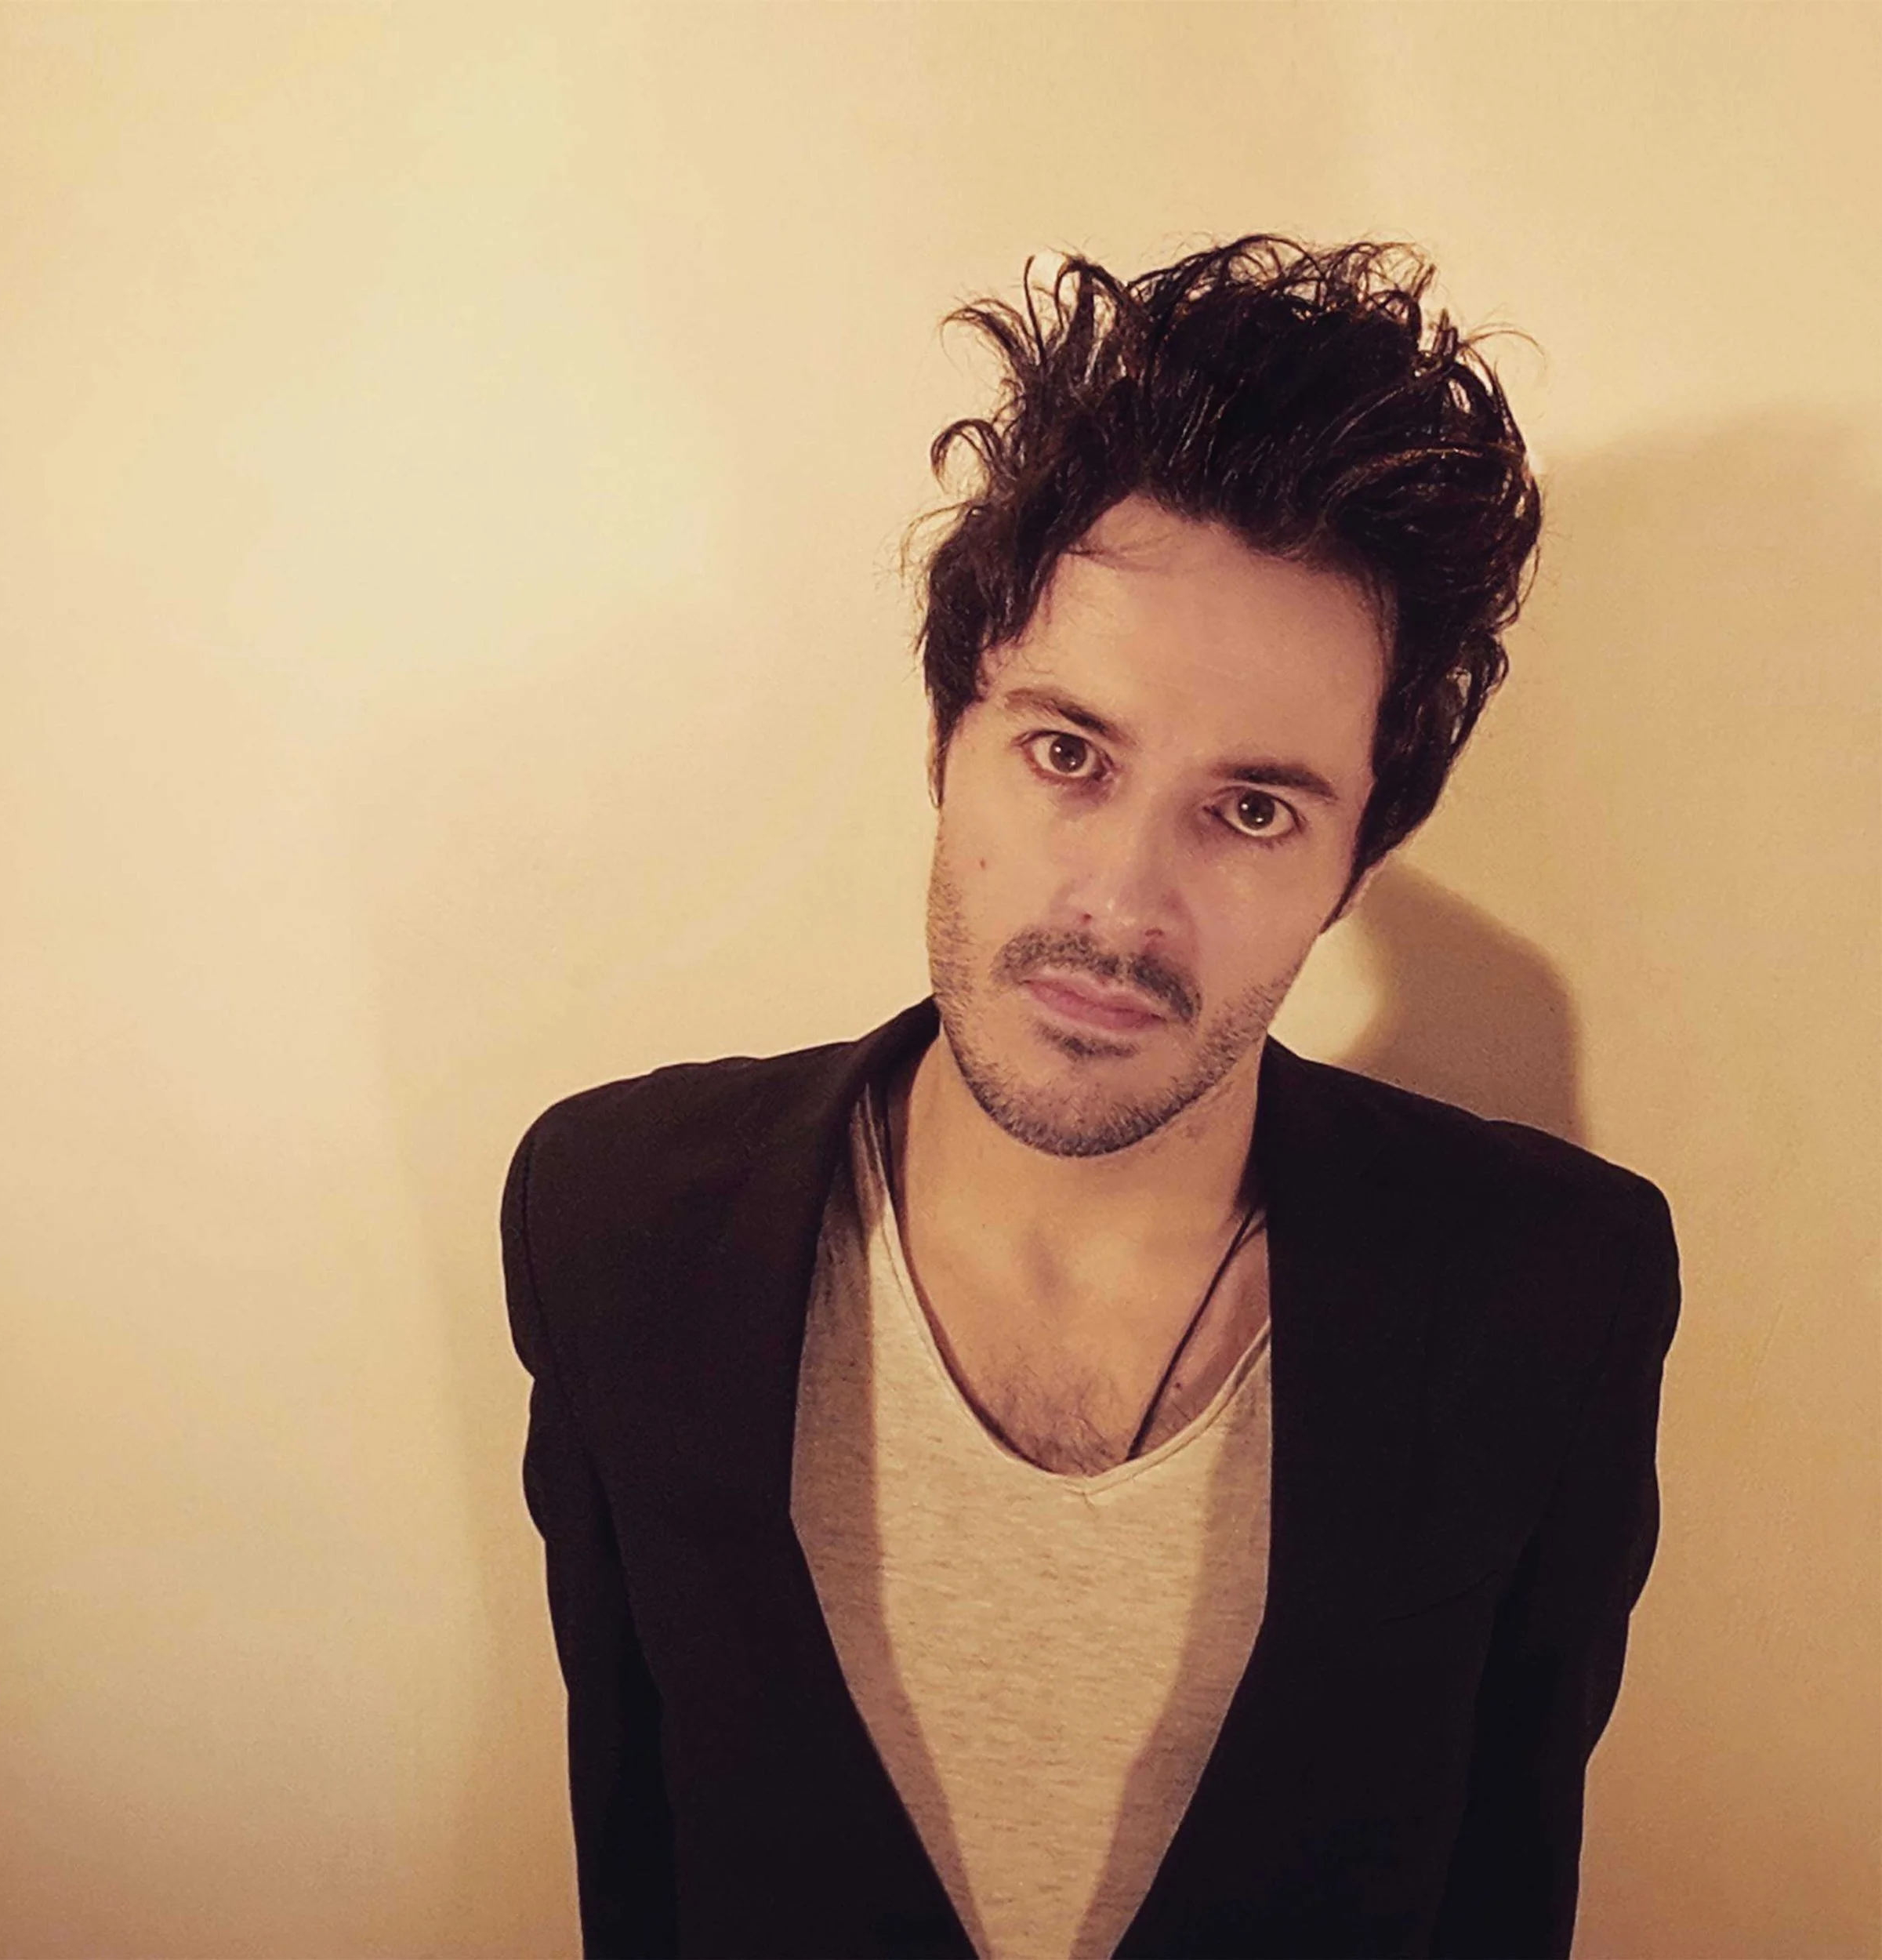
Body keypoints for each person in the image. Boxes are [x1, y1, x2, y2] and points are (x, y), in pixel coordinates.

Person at [501, 237, 1680, 1960]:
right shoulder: (612, 1221)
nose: (1120, 909)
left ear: (1357, 852)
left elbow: (1505, 1887)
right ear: (945, 739)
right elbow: (637, 1860)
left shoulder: (1548, 1290)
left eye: (1254, 809)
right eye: (1068, 752)